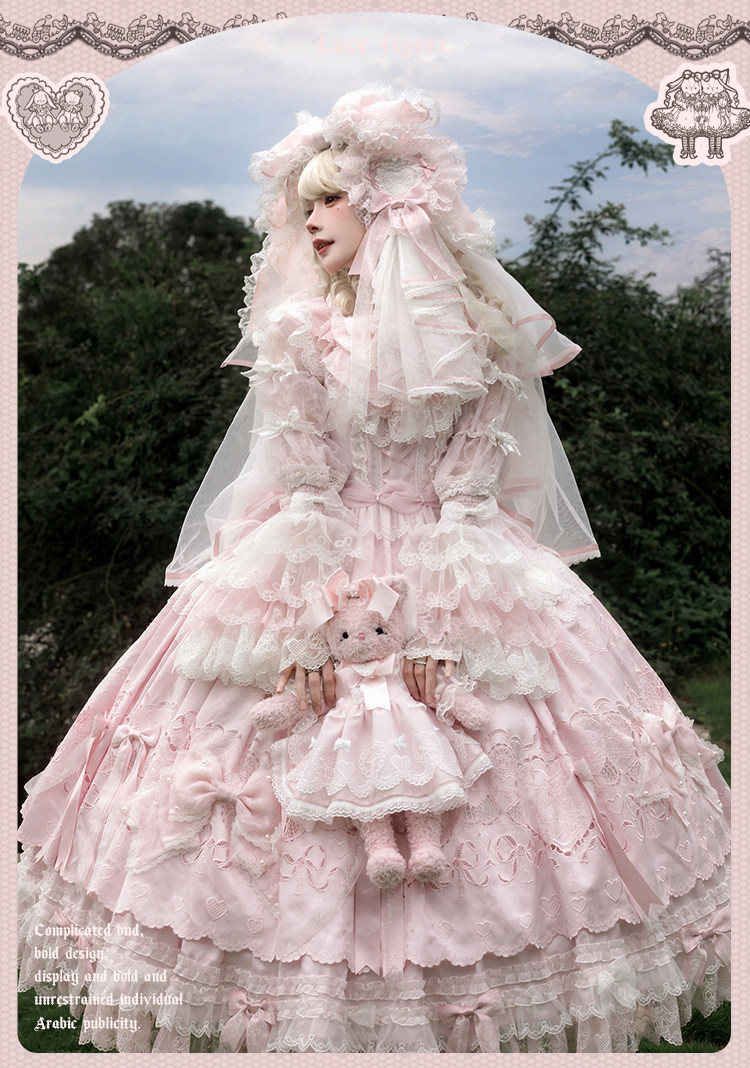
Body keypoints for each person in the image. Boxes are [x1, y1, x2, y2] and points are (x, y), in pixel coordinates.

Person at [18, 85, 730, 1053]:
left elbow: (471, 497)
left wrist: (452, 638)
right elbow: (297, 494)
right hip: (320, 566)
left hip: (455, 562)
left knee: (502, 755)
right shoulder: (300, 337)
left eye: (328, 200)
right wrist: (298, 639)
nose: (309, 220)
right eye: (303, 203)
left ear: (387, 210)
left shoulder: (477, 340)